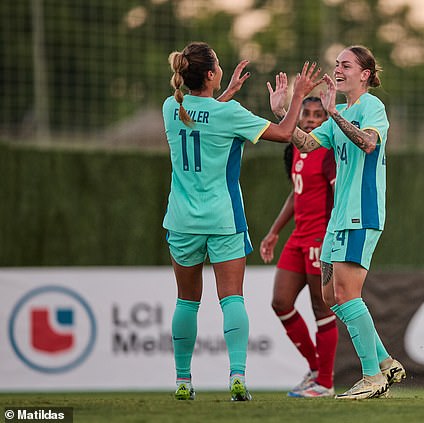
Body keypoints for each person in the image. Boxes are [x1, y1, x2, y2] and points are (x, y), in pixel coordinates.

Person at [162, 41, 322, 401]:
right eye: (217, 64)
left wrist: (225, 95)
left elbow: (199, 121)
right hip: (223, 220)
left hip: (182, 220)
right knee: (232, 298)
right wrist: (297, 97)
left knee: (186, 302)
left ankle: (183, 382)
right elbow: (283, 135)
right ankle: (237, 377)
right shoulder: (229, 113)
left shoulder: (172, 106)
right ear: (211, 74)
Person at [274, 45, 406, 399]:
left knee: (348, 293)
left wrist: (334, 113)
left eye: (346, 65)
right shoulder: (341, 112)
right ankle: (384, 362)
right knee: (331, 296)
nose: (338, 70)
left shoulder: (371, 107)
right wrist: (285, 111)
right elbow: (304, 144)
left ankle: (372, 378)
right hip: (339, 219)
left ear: (364, 74)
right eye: (337, 65)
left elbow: (367, 143)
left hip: (361, 213)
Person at [259, 94, 338, 398]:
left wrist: (332, 236)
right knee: (280, 301)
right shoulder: (295, 149)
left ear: (325, 120)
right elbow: (296, 194)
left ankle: (326, 383)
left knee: (321, 306)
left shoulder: (327, 151)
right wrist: (274, 232)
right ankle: (316, 368)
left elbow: (338, 192)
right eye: (306, 113)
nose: (311, 119)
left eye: (318, 115)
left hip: (320, 236)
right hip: (298, 236)